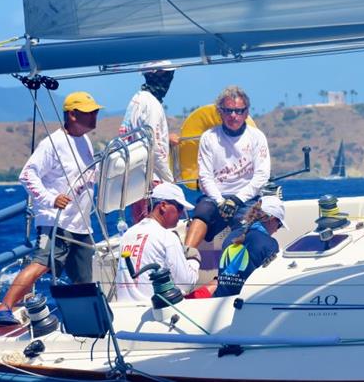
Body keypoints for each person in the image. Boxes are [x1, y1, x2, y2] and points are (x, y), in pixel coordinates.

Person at [0, 91, 102, 326]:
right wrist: (51, 199)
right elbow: (27, 175)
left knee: (84, 280)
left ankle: (86, 325)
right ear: (72, 115)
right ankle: (3, 309)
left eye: (95, 112)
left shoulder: (85, 140)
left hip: (80, 225)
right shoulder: (53, 143)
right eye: (89, 113)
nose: (94, 116)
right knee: (41, 264)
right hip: (56, 222)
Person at [184, 86, 271, 249]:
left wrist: (236, 200)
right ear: (220, 112)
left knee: (249, 227)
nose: (233, 115)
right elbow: (205, 176)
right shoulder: (209, 138)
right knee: (202, 212)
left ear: (246, 112)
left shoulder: (256, 137)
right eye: (228, 110)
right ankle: (186, 256)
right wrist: (220, 201)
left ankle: (235, 270)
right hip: (216, 197)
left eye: (239, 111)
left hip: (246, 198)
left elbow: (262, 175)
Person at [115, 182, 201, 301]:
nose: (181, 214)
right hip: (155, 310)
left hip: (126, 311)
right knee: (214, 284)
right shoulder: (167, 237)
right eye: (179, 208)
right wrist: (193, 259)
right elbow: (187, 284)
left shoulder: (127, 234)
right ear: (163, 205)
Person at [119, 61, 177, 223]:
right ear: (154, 75)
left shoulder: (137, 100)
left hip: (136, 180)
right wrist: (169, 181)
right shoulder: (152, 104)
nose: (169, 79)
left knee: (141, 227)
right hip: (153, 181)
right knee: (156, 228)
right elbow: (154, 147)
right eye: (166, 74)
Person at [212, 195, 287, 297]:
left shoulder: (231, 235)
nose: (277, 230)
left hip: (217, 300)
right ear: (271, 219)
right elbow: (273, 281)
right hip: (247, 304)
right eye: (279, 224)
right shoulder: (270, 244)